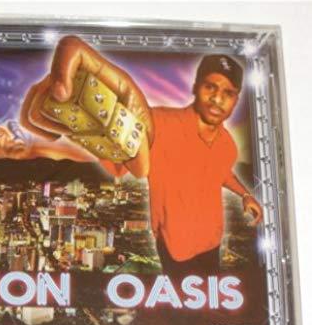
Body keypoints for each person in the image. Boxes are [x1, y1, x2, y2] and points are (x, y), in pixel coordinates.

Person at [20, 36, 263, 277]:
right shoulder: (159, 124)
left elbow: (220, 171)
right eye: (210, 87)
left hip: (212, 244)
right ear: (196, 86)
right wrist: (79, 120)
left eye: (228, 92)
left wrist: (244, 194)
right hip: (177, 254)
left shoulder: (228, 144)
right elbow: (118, 159)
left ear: (236, 99)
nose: (218, 99)